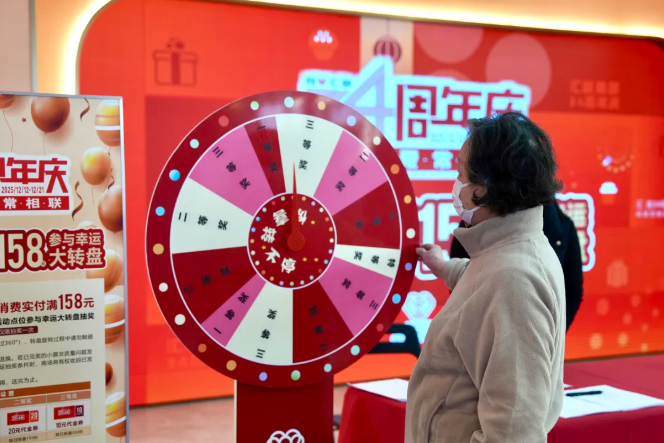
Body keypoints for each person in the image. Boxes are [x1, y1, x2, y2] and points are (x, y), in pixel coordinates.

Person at [405, 112, 566, 443]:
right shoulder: (510, 252)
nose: (456, 184)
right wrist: (443, 266)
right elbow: (482, 292)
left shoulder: (514, 280)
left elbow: (514, 431)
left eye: (460, 173)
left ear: (483, 188)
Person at [449, 201, 584, 331]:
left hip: (540, 334)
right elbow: (459, 283)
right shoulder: (474, 222)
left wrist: (551, 334)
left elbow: (572, 292)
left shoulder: (562, 227)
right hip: (480, 333)